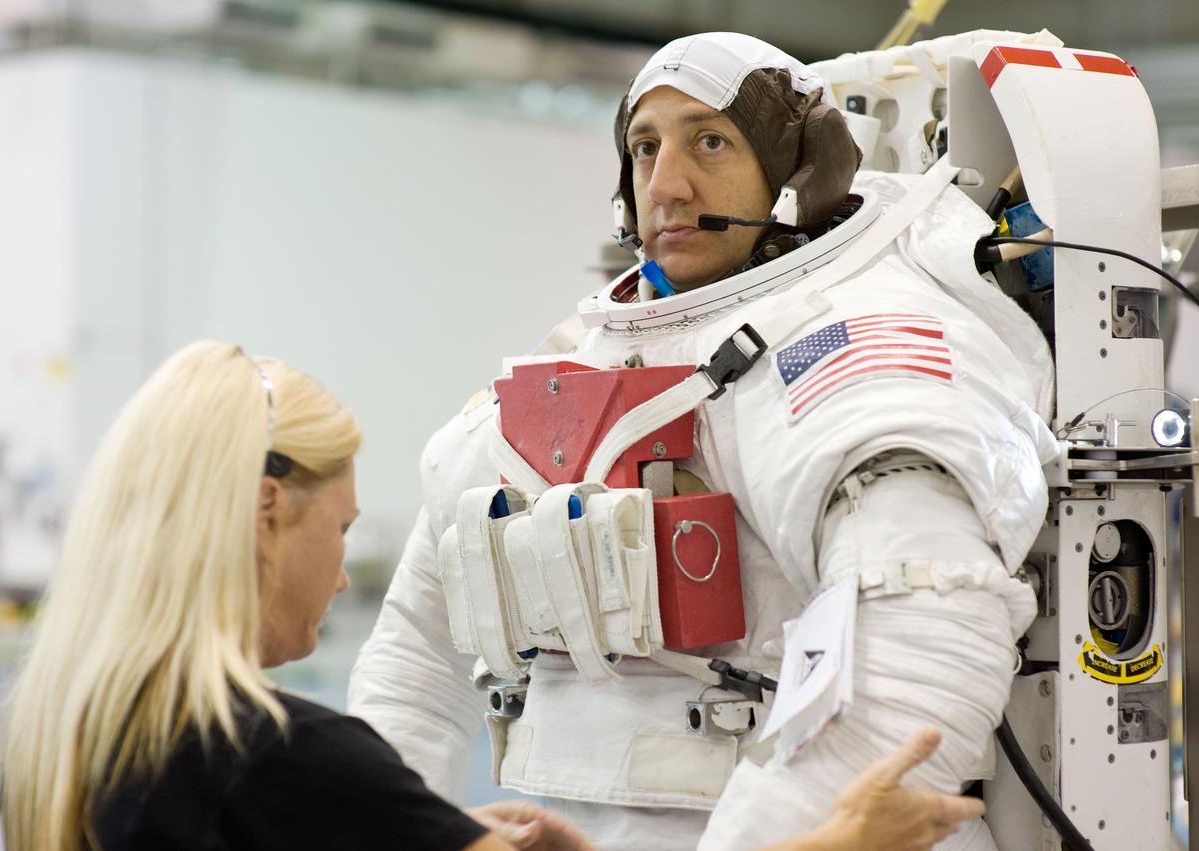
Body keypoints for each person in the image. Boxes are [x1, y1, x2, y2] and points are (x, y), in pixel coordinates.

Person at [350, 30, 1057, 851]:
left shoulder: (860, 345)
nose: (668, 185)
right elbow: (413, 664)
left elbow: (920, 653)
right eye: (644, 149)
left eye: (709, 141)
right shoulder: (575, 359)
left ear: (797, 170)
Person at [0, 340, 983, 851]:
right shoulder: (288, 757)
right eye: (336, 531)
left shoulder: (81, 728)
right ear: (262, 511)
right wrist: (844, 836)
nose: (340, 575)